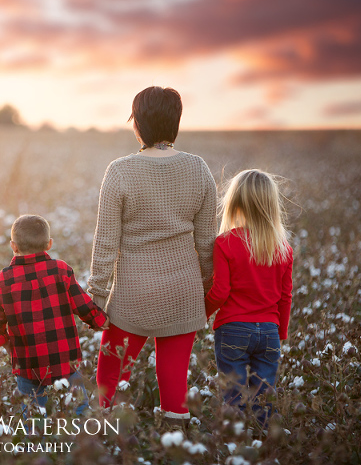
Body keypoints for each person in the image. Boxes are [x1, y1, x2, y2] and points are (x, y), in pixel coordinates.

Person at [88, 86, 217, 426]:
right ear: (175, 122)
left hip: (133, 294)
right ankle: (176, 441)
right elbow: (207, 244)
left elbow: (105, 244)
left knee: (110, 380)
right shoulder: (199, 168)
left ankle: (106, 437)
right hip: (183, 291)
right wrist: (207, 293)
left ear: (138, 124)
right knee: (174, 382)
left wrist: (96, 298)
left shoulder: (120, 171)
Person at [0, 214, 109, 417]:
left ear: (13, 246)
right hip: (65, 361)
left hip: (27, 366)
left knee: (33, 415)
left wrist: (5, 343)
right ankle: (81, 445)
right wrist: (100, 322)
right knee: (78, 409)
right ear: (49, 244)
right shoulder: (61, 270)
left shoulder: (2, 280)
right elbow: (82, 305)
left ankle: (38, 446)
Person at [204, 169, 293, 428]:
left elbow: (220, 291)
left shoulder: (225, 242)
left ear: (236, 203)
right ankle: (267, 443)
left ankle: (236, 445)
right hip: (269, 332)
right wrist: (280, 332)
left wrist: (204, 313)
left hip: (232, 330)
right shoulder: (282, 248)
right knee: (265, 399)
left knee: (234, 400)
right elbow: (285, 297)